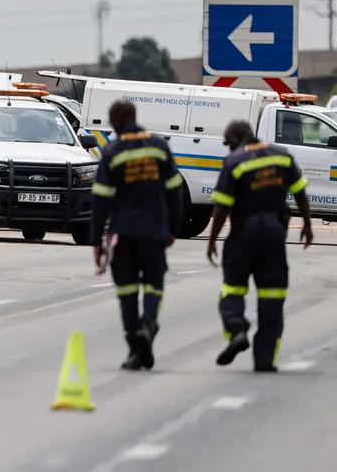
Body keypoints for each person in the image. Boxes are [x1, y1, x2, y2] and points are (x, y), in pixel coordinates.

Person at [207, 118, 314, 372]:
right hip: (275, 234)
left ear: (234, 141)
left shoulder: (234, 162)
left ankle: (236, 329)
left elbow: (222, 206)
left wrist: (211, 240)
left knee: (232, 289)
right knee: (272, 296)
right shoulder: (281, 156)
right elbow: (299, 192)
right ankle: (264, 360)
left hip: (244, 234)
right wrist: (307, 225)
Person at [89, 99, 183, 371]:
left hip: (124, 233)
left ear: (118, 120)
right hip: (154, 232)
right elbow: (174, 191)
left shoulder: (112, 152)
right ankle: (149, 325)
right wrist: (174, 228)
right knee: (154, 284)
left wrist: (97, 240)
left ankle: (134, 350)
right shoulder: (159, 147)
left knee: (127, 291)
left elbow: (101, 199)